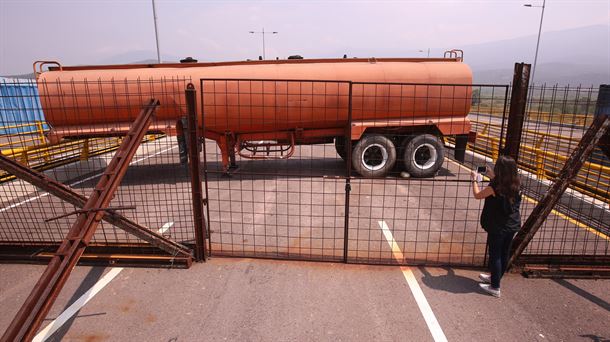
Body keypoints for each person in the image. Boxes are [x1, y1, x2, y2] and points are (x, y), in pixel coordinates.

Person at [471, 155, 522, 298]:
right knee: (504, 253)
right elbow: (502, 185)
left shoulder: (495, 187)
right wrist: (491, 175)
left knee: (495, 255)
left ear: (500, 170)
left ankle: (495, 287)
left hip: (498, 226)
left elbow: (478, 195)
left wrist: (474, 179)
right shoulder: (516, 183)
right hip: (512, 224)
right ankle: (496, 277)